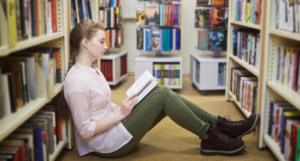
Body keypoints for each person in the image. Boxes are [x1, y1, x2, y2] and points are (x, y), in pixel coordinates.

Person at [59, 19, 260, 158]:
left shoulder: (92, 69)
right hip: (108, 145)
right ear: (85, 43)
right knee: (163, 94)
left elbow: (101, 104)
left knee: (158, 91)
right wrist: (121, 114)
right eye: (101, 41)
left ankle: (221, 127)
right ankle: (210, 135)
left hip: (114, 126)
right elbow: (85, 131)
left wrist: (120, 107)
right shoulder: (76, 81)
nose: (105, 46)